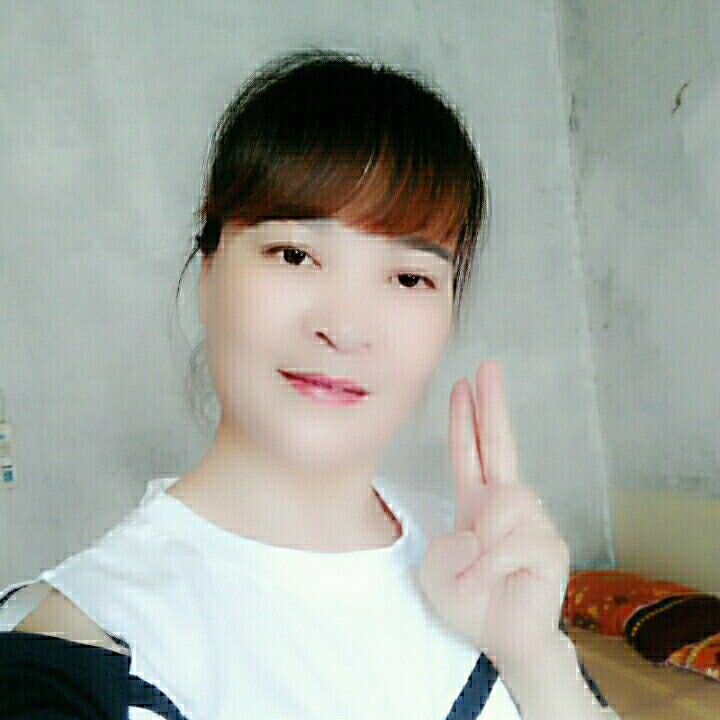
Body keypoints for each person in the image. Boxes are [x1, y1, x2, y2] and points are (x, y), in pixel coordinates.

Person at [0, 49, 618, 718]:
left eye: (409, 277)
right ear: (208, 271)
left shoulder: (484, 567)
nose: (344, 328)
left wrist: (535, 657)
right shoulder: (84, 643)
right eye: (294, 255)